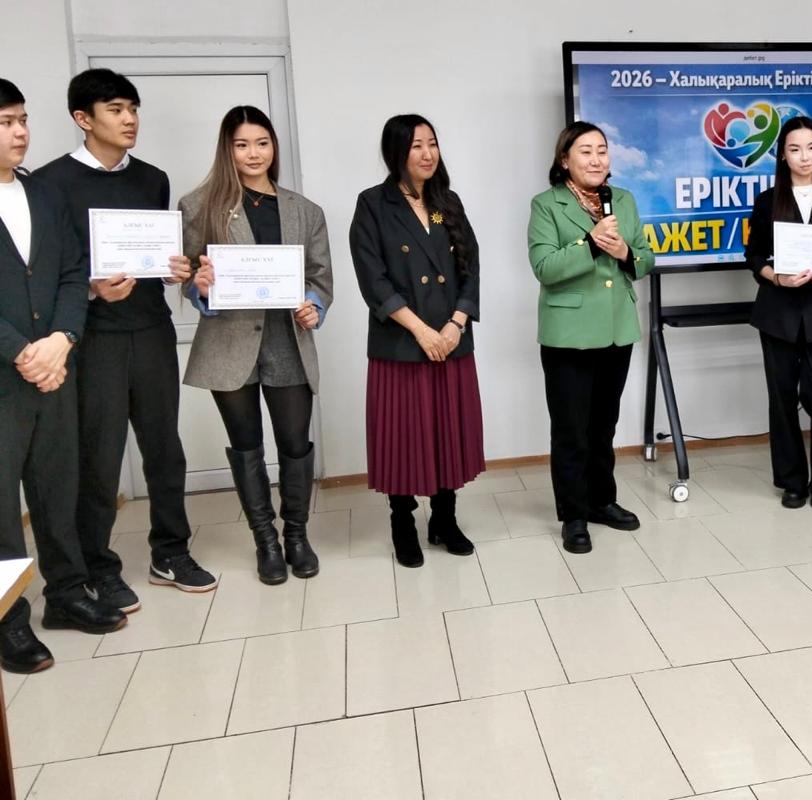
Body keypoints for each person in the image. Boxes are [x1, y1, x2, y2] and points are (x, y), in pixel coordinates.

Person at [33, 68, 215, 611]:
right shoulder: (49, 184)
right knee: (99, 457)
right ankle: (97, 567)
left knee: (165, 450)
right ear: (83, 119)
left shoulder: (152, 179)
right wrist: (92, 290)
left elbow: (156, 253)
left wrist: (176, 269)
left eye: (133, 108)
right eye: (115, 109)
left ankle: (171, 552)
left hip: (152, 328)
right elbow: (47, 270)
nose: (129, 119)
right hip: (93, 338)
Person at [0, 78, 127, 674]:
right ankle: (9, 620)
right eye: (5, 123)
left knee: (57, 488)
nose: (20, 132)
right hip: (7, 376)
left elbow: (74, 273)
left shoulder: (43, 194)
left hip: (55, 367)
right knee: (2, 504)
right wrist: (24, 352)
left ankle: (67, 594)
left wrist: (62, 339)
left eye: (22, 119)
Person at [180, 106, 333, 584]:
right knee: (246, 444)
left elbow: (320, 278)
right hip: (229, 342)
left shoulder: (304, 210)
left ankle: (296, 536)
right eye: (242, 144)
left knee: (294, 443)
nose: (253, 153)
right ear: (227, 149)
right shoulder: (199, 205)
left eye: (262, 143)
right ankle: (265, 541)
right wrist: (200, 288)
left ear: (274, 147)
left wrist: (314, 306)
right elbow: (188, 276)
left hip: (287, 339)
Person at [350, 115, 483, 565]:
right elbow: (373, 279)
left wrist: (456, 324)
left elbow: (471, 267)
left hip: (450, 339)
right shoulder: (373, 204)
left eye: (432, 143)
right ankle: (402, 522)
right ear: (396, 153)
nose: (428, 154)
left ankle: (444, 519)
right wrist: (422, 330)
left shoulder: (447, 202)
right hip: (402, 343)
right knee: (404, 436)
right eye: (416, 146)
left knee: (448, 432)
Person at [527, 121, 653, 554]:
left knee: (603, 426)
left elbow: (645, 258)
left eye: (602, 150)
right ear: (565, 160)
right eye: (586, 151)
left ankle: (602, 500)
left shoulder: (624, 200)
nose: (597, 159)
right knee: (571, 431)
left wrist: (627, 253)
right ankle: (574, 515)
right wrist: (592, 244)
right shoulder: (546, 204)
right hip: (569, 336)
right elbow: (544, 268)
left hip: (618, 330)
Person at [744, 116, 812, 509]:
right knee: (781, 399)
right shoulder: (767, 200)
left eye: (811, 148)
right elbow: (754, 255)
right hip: (778, 313)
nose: (804, 156)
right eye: (795, 149)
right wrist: (777, 277)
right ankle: (792, 481)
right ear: (782, 155)